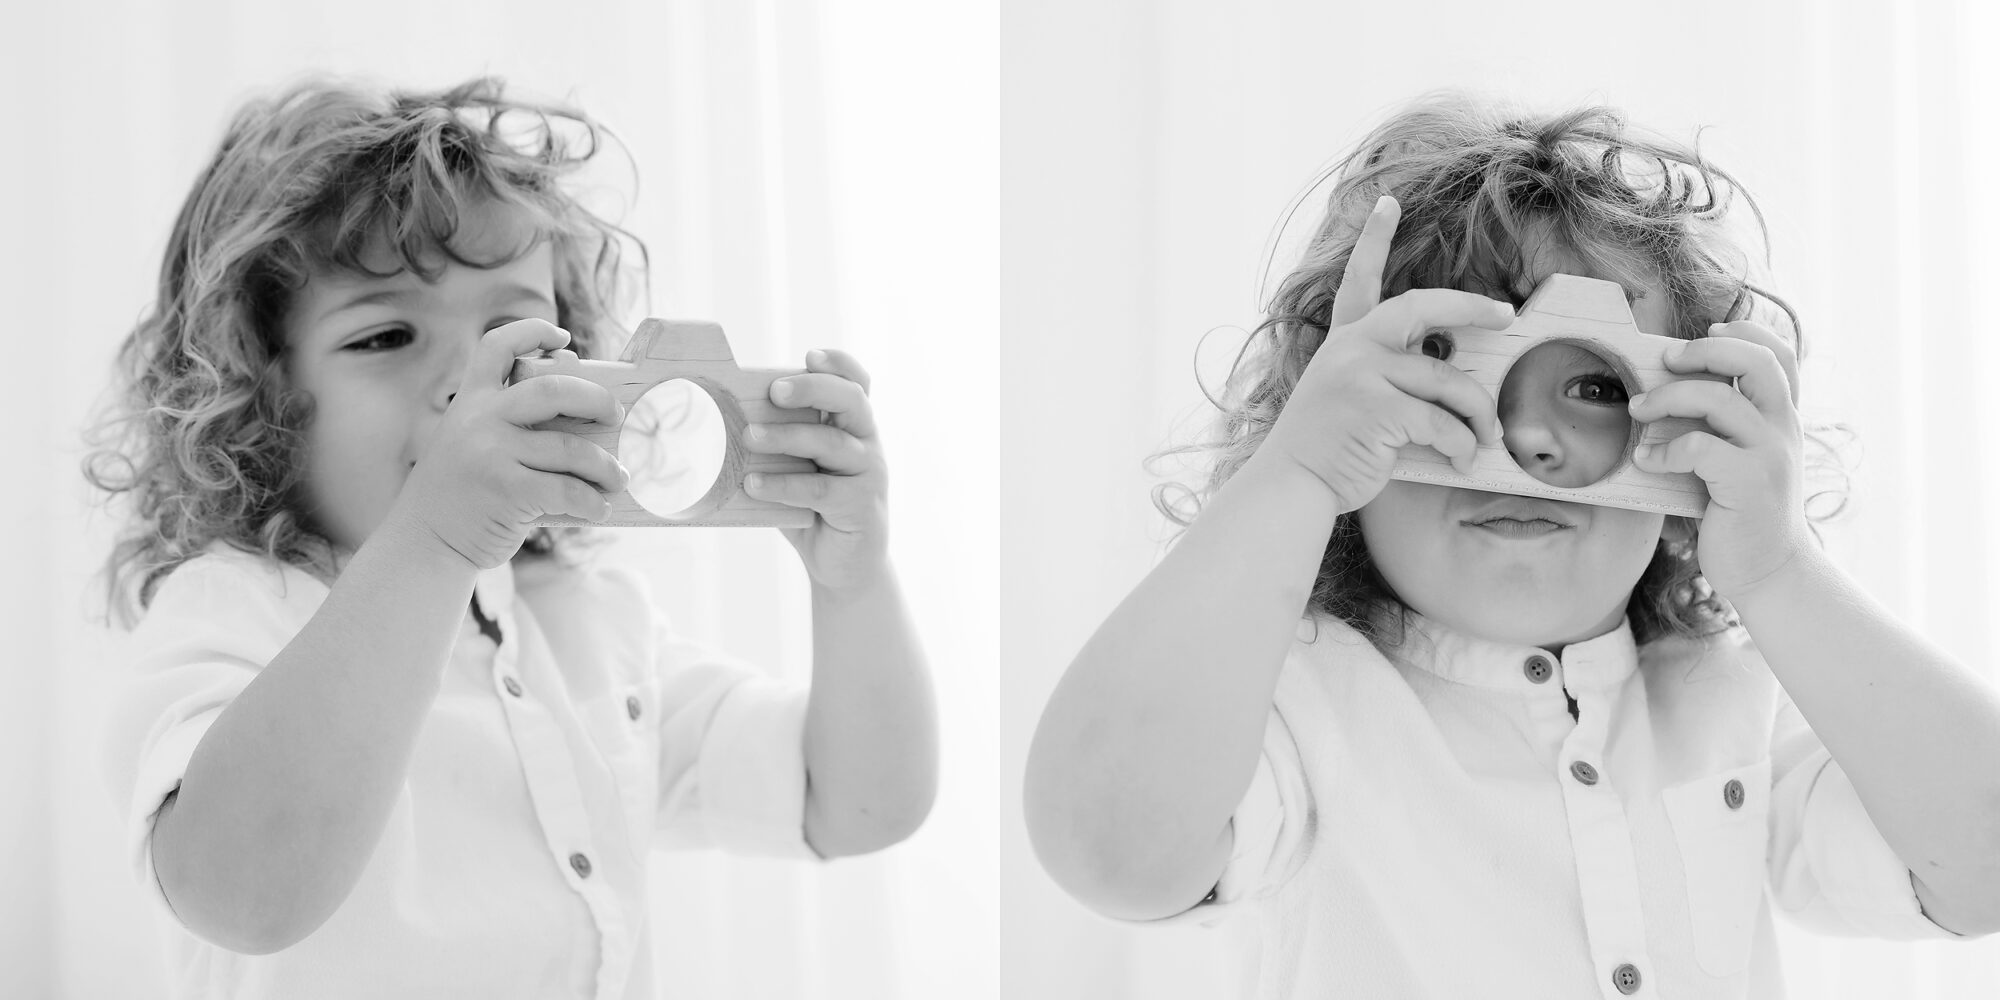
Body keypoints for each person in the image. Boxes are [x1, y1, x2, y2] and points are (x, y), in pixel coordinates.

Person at [1023, 92, 2000, 998]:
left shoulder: (1726, 706)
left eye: (1593, 385)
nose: (1524, 443)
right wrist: (1293, 479)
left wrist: (1778, 570)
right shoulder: (1298, 710)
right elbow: (1111, 851)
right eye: (1445, 371)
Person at [86, 76, 936, 998]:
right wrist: (434, 544)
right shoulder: (232, 609)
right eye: (384, 337)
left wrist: (853, 584)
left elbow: (852, 802)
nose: (468, 383)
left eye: (514, 330)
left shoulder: (590, 623)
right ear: (260, 397)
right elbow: (243, 897)